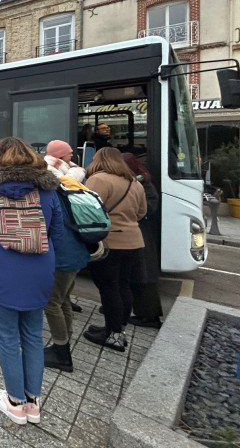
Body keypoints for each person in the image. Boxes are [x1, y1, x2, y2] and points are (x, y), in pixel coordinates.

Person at [0, 137, 62, 426]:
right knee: (33, 336)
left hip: (3, 269)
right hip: (39, 269)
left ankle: (14, 403)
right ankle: (33, 404)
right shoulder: (48, 191)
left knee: (8, 337)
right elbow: (57, 234)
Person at [83, 147, 147, 351]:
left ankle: (114, 334)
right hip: (134, 241)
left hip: (109, 241)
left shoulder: (98, 179)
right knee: (123, 285)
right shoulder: (134, 182)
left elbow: (87, 209)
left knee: (108, 288)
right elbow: (141, 212)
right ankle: (118, 328)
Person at [43, 176, 92, 372]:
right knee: (63, 300)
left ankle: (62, 353)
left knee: (51, 303)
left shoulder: (47, 196)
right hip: (77, 253)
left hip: (62, 258)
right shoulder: (65, 190)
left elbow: (46, 229)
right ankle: (64, 342)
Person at [121, 152, 163, 329]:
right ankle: (136, 310)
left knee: (143, 275)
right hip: (139, 232)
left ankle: (149, 316)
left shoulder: (142, 184)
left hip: (141, 233)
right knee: (136, 274)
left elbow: (146, 209)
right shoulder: (140, 183)